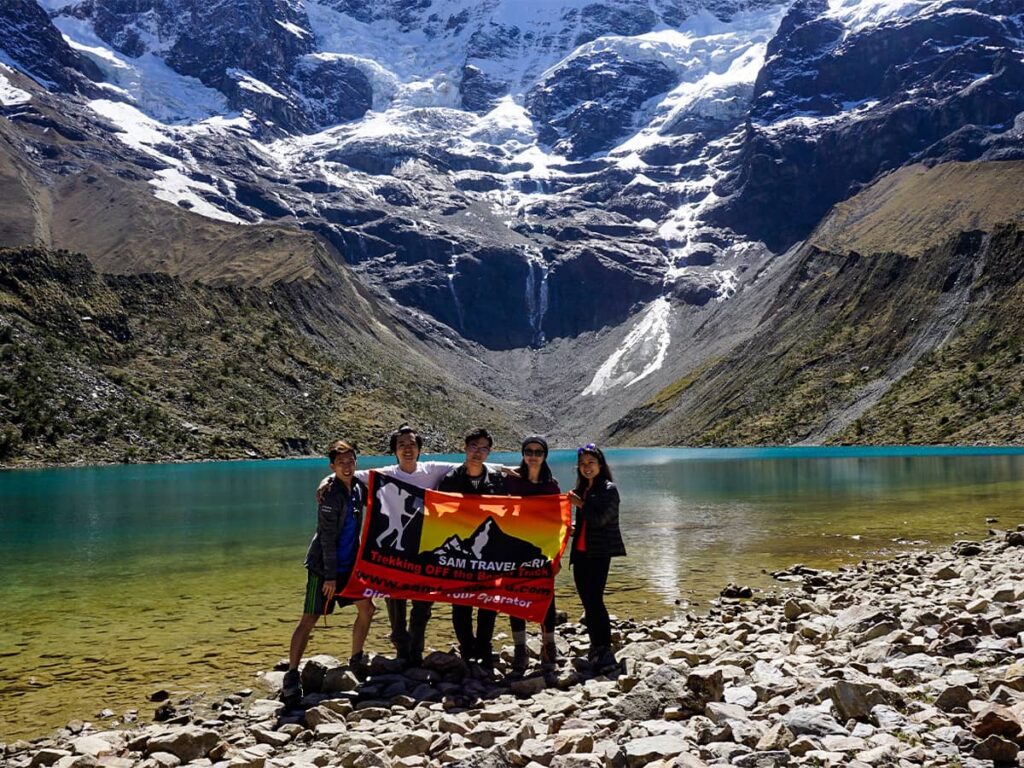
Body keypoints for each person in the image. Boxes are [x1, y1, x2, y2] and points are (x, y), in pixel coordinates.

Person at [317, 424, 486, 667]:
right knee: (394, 598)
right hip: (394, 548)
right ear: (395, 451)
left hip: (426, 547)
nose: (408, 449)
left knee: (423, 602)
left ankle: (415, 650)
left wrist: (514, 470)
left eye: (412, 445)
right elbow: (346, 472)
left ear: (419, 449)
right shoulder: (384, 473)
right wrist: (325, 479)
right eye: (402, 445)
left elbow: (474, 466)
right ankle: (401, 645)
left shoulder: (433, 469)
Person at [282, 440, 375, 707]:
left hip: (349, 567)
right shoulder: (330, 496)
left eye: (351, 462)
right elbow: (325, 539)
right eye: (341, 463)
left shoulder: (358, 487)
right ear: (332, 466)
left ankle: (356, 659)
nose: (347, 467)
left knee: (367, 609)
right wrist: (331, 578)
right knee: (309, 619)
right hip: (324, 568)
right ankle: (291, 674)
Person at [437, 427, 507, 670]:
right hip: (461, 551)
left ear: (489, 452)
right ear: (465, 448)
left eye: (484, 448)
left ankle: (484, 646)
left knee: (488, 600)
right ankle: (467, 647)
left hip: (489, 551)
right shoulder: (450, 479)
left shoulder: (498, 480)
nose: (478, 452)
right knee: (461, 600)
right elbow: (440, 513)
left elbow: (511, 512)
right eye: (474, 447)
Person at [503, 435, 561, 674]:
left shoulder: (552, 484)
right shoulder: (511, 480)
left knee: (545, 595)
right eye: (529, 451)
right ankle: (520, 649)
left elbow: (558, 521)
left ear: (544, 455)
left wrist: (557, 555)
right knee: (516, 596)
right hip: (514, 548)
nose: (534, 456)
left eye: (538, 452)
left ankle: (549, 645)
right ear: (523, 453)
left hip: (542, 548)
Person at [567, 443, 626, 672]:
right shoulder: (584, 488)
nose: (586, 467)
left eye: (591, 463)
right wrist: (573, 527)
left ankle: (604, 649)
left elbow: (601, 519)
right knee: (587, 601)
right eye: (582, 464)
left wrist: (580, 504)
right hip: (581, 552)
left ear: (600, 464)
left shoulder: (609, 489)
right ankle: (596, 646)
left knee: (595, 600)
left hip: (599, 553)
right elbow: (587, 521)